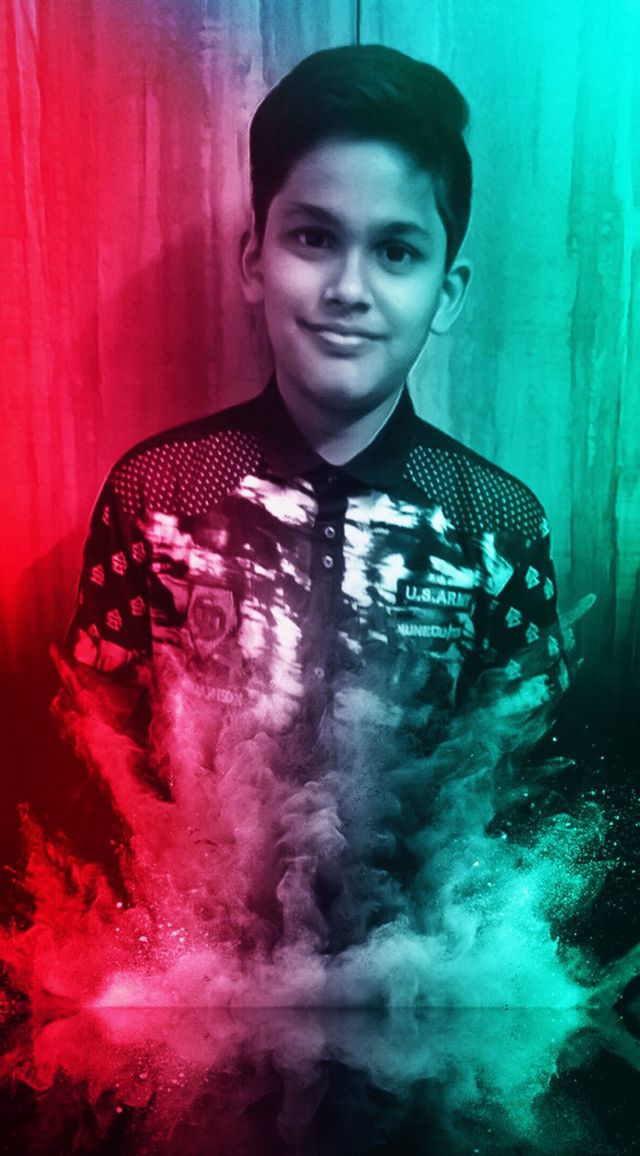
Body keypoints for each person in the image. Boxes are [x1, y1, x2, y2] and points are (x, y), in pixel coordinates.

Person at [59, 44, 567, 784]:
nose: (348, 289)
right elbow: (93, 772)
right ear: (255, 262)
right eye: (315, 238)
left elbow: (527, 800)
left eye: (396, 251)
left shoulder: (497, 526)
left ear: (446, 292)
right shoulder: (156, 496)